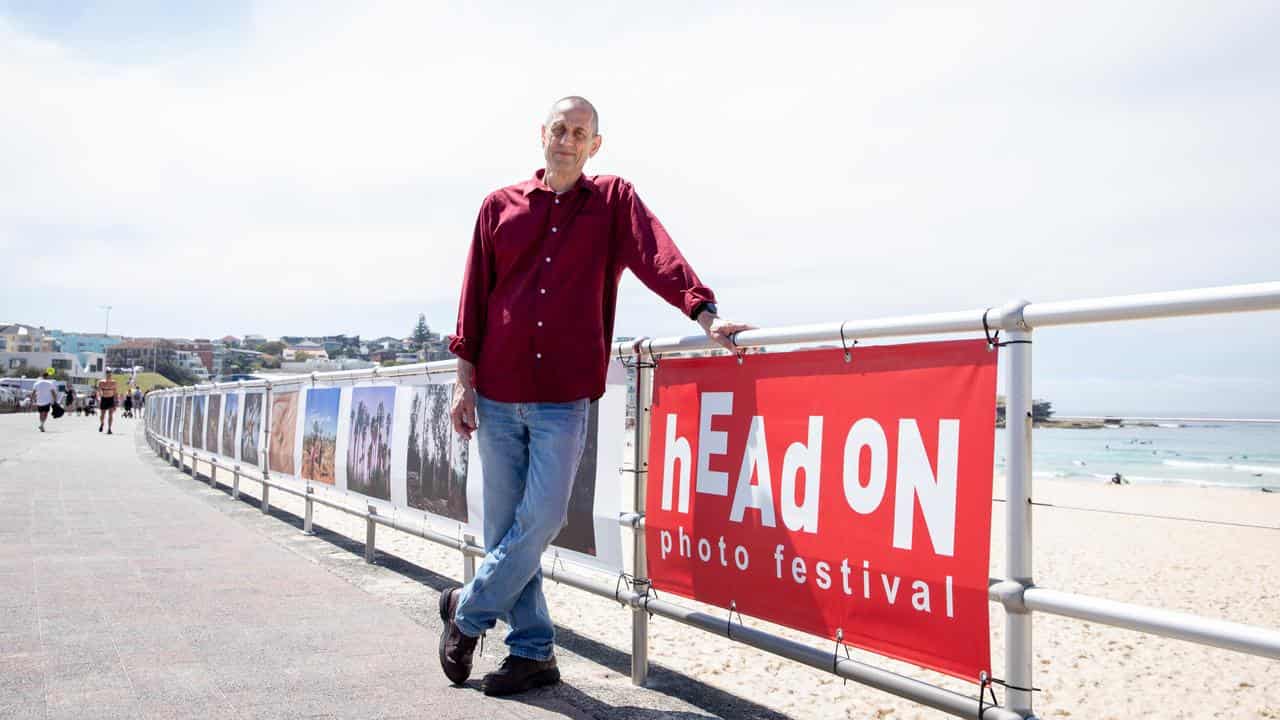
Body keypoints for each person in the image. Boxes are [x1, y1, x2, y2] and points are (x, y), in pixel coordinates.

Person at [441, 96, 753, 696]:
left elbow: (659, 257)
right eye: (559, 128)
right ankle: (532, 652)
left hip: (563, 397)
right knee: (506, 529)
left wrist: (705, 314)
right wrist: (464, 381)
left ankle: (466, 610)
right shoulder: (498, 207)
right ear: (542, 134)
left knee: (544, 519)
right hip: (499, 393)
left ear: (594, 146)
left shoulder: (613, 202)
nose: (566, 139)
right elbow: (473, 298)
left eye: (579, 132)